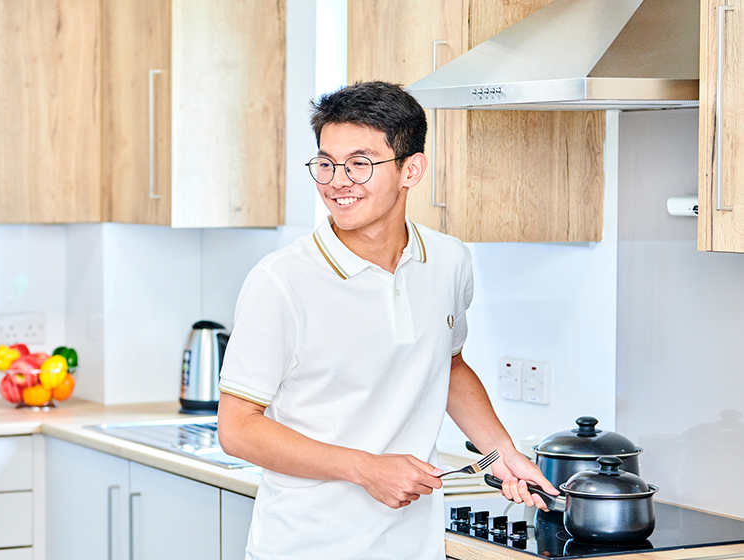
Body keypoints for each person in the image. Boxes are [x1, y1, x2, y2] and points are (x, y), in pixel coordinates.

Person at [216, 81, 558, 560]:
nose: (336, 181)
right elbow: (237, 429)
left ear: (410, 170)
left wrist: (501, 455)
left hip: (412, 546)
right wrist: (365, 469)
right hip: (305, 546)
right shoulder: (281, 281)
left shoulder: (449, 260)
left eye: (359, 163)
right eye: (326, 163)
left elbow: (449, 365)